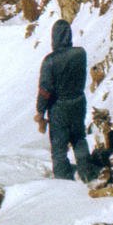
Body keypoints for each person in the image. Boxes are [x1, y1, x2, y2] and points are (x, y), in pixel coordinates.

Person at [36, 19, 97, 182]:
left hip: (59, 108)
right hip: (78, 102)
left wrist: (40, 112)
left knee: (59, 147)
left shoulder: (50, 60)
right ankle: (87, 173)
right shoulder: (81, 53)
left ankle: (63, 180)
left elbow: (45, 90)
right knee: (79, 138)